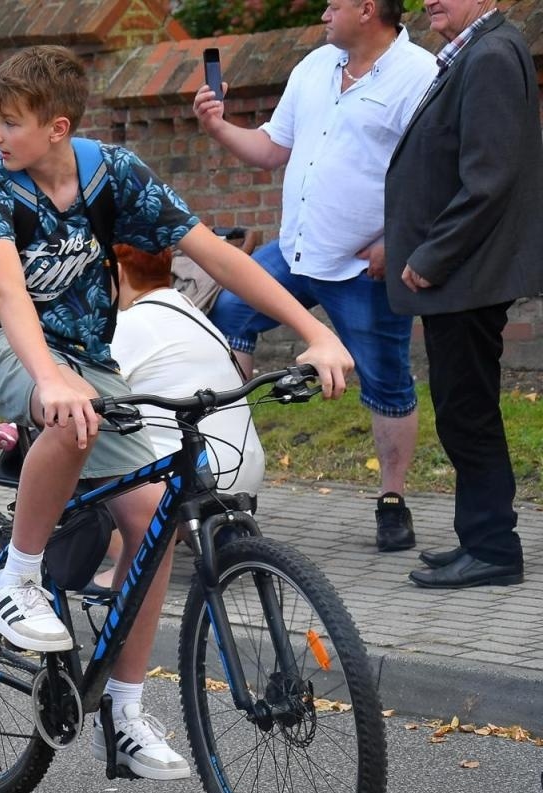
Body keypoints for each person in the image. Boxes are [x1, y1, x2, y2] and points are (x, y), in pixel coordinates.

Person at [0, 46, 352, 780]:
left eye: (9, 123)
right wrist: (50, 378)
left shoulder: (114, 174)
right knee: (70, 413)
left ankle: (125, 716)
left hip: (85, 357)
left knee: (155, 516)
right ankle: (17, 581)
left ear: (57, 127)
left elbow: (222, 260)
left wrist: (317, 331)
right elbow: (7, 293)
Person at [193, 0, 434, 553]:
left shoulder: (418, 75)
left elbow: (432, 172)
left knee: (386, 380)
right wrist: (219, 125)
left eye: (335, 4)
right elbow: (274, 150)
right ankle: (230, 476)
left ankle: (392, 501)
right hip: (296, 251)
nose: (325, 12)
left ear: (368, 10)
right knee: (230, 311)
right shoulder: (313, 67)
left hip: (362, 265)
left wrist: (397, 243)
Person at [385, 0, 541, 589]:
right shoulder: (477, 52)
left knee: (468, 412)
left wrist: (431, 256)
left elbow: (489, 176)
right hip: (465, 277)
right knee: (462, 408)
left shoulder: (493, 55)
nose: (429, 0)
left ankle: (494, 549)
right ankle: (481, 535)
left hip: (468, 277)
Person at [110, 244, 265, 496]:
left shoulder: (130, 324)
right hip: (244, 471)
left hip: (189, 478)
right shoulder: (191, 312)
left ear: (118, 272)